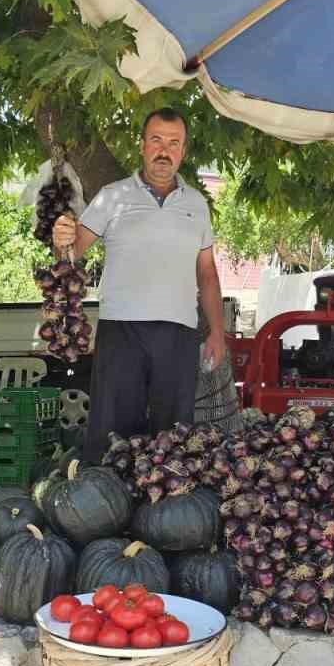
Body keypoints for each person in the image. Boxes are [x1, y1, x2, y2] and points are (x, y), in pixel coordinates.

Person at [51, 107, 227, 464]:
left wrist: (218, 332)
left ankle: (164, 515)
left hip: (179, 334)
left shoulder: (197, 204)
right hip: (122, 331)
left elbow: (207, 273)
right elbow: (73, 251)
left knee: (174, 440)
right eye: (157, 140)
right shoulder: (112, 196)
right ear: (143, 145)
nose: (165, 151)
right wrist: (61, 237)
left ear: (183, 150)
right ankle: (103, 509)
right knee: (112, 435)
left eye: (173, 143)